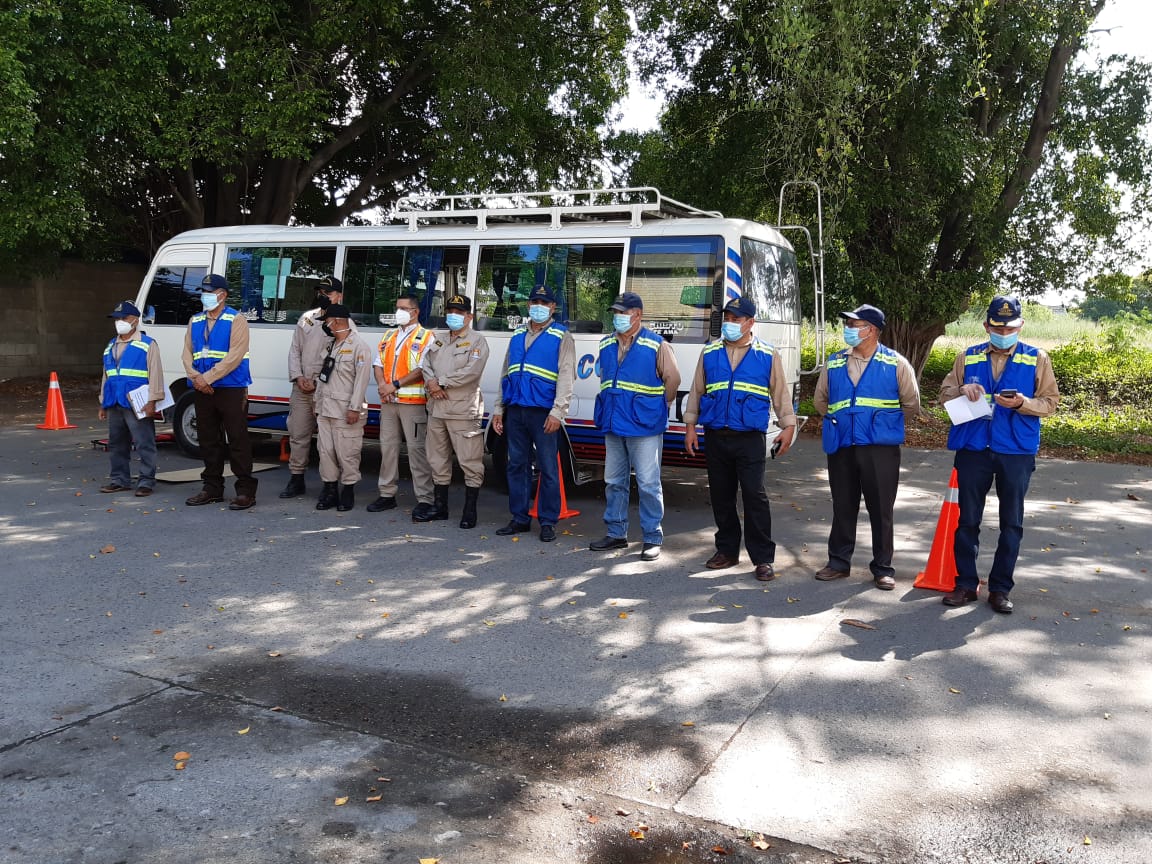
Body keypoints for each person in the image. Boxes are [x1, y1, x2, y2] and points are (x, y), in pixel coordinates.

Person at [938, 296, 1060, 614]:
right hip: (974, 449)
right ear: (986, 326)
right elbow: (944, 394)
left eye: (1009, 327)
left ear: (1020, 326)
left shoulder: (1037, 358)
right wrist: (961, 390)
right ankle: (965, 584)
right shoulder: (968, 356)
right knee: (967, 521)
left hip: (1015, 451)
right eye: (996, 326)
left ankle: (1000, 588)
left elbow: (1050, 402)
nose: (1003, 332)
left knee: (1011, 523)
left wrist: (1023, 403)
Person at [683, 296, 796, 580]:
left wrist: (788, 426)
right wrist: (690, 427)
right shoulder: (710, 353)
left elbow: (780, 393)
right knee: (721, 495)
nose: (730, 324)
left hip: (749, 437)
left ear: (750, 323)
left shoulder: (767, 354)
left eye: (736, 319)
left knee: (754, 495)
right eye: (728, 319)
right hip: (716, 434)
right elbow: (697, 391)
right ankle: (727, 551)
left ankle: (763, 558)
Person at [813, 304, 920, 589]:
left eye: (854, 324)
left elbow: (911, 405)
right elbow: (820, 401)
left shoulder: (896, 363)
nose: (848, 329)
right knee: (843, 505)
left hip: (879, 448)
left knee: (881, 508)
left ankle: (883, 567)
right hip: (843, 444)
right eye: (847, 324)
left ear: (871, 330)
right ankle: (838, 562)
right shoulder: (834, 362)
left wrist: (881, 425)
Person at [588, 291, 681, 561]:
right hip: (614, 424)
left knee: (648, 484)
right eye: (615, 313)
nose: (617, 317)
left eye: (622, 313)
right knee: (614, 482)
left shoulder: (656, 345)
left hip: (644, 426)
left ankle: (652, 538)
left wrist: (654, 406)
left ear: (637, 315)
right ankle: (616, 533)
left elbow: (672, 380)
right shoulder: (606, 344)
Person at [490, 284, 576, 543]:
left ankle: (548, 521)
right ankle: (519, 518)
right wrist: (498, 409)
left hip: (543, 413)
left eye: (544, 302)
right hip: (516, 410)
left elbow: (566, 375)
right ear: (528, 306)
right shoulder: (517, 335)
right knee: (516, 465)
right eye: (535, 302)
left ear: (552, 307)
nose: (539, 306)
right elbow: (506, 373)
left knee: (548, 467)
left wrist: (557, 413)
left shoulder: (562, 336)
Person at [182, 274, 258, 510]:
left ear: (222, 295)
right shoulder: (195, 320)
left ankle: (245, 491)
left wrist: (207, 378)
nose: (204, 295)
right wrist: (196, 378)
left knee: (237, 439)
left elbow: (235, 356)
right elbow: (187, 354)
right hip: (202, 388)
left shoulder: (236, 320)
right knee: (208, 439)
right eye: (203, 291)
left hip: (231, 387)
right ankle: (212, 488)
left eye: (209, 291)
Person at [281, 276, 356, 499]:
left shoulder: (345, 324)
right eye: (320, 292)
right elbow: (295, 350)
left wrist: (318, 381)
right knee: (298, 434)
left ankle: (330, 484)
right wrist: (297, 377)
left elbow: (344, 360)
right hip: (302, 387)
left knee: (330, 441)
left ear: (339, 296)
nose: (323, 296)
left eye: (328, 293)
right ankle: (296, 478)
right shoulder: (306, 319)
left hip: (328, 391)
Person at [420, 295, 490, 528]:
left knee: (470, 461)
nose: (454, 315)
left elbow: (471, 372)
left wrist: (440, 381)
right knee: (437, 459)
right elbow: (425, 364)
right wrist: (431, 383)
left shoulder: (477, 341)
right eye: (450, 311)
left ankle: (470, 511)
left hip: (462, 410)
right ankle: (441, 508)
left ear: (469, 316)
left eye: (459, 312)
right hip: (437, 408)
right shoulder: (438, 339)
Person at [368, 293, 436, 518]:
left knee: (417, 452)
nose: (398, 311)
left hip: (413, 404)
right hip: (389, 402)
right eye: (397, 307)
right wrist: (382, 386)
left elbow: (422, 370)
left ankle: (425, 499)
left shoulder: (427, 337)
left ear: (415, 312)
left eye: (403, 308)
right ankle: (387, 495)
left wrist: (394, 385)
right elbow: (378, 364)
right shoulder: (389, 335)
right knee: (387, 449)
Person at [98, 301, 165, 498]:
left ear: (135, 320)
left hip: (138, 402)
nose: (119, 322)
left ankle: (146, 481)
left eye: (124, 318)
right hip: (114, 401)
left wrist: (153, 400)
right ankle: (119, 480)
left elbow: (155, 373)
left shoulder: (147, 344)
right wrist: (103, 402)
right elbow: (106, 375)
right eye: (117, 319)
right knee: (117, 443)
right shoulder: (111, 345)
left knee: (144, 442)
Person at [311, 304, 374, 512]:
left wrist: (355, 408)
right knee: (326, 451)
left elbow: (361, 381)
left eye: (326, 322)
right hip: (326, 408)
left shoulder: (359, 346)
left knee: (347, 453)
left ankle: (348, 490)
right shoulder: (330, 345)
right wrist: (316, 403)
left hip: (346, 410)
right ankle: (329, 490)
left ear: (336, 321)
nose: (326, 326)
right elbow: (323, 377)